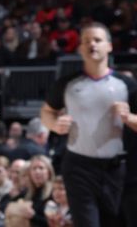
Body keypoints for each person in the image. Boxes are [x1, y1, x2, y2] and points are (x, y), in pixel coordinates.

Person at [41, 23, 137, 227]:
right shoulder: (68, 84)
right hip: (78, 166)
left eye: (97, 40)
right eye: (86, 41)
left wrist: (129, 118)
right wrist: (55, 124)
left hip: (117, 168)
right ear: (80, 48)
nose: (91, 44)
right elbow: (46, 111)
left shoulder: (126, 85)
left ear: (109, 46)